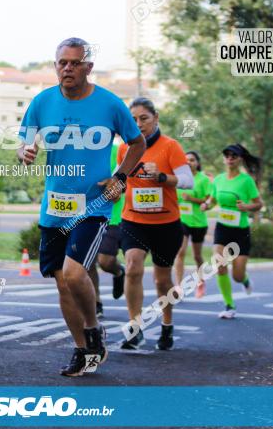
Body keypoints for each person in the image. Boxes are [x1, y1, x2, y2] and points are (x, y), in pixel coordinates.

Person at [17, 38, 145, 376]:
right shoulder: (42, 102)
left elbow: (137, 142)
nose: (68, 68)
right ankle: (81, 348)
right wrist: (24, 152)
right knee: (62, 282)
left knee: (75, 273)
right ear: (55, 65)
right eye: (62, 63)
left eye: (75, 63)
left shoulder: (109, 104)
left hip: (94, 206)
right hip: (54, 207)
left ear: (88, 67)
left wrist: (121, 177)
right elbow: (23, 142)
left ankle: (92, 329)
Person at [118, 97, 194, 351]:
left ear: (156, 118)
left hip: (165, 223)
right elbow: (119, 176)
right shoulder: (125, 147)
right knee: (132, 267)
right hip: (133, 220)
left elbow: (187, 180)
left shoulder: (170, 146)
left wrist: (162, 177)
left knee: (162, 280)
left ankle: (167, 324)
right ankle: (134, 328)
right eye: (134, 119)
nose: (138, 124)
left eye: (144, 118)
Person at [203, 144, 263, 319]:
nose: (230, 158)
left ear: (240, 159)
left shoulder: (247, 181)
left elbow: (259, 204)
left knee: (237, 275)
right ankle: (229, 305)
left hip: (240, 231)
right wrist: (207, 205)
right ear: (224, 159)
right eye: (227, 155)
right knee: (219, 264)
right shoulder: (219, 179)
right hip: (222, 228)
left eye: (233, 156)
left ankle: (244, 280)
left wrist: (246, 206)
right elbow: (213, 200)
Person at [88, 138, 128, 318]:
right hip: (87, 215)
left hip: (113, 216)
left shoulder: (118, 150)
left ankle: (119, 271)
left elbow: (122, 185)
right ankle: (96, 302)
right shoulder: (82, 153)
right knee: (87, 262)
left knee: (105, 262)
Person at [175, 151, 212, 298]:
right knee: (180, 252)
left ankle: (201, 281)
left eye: (192, 160)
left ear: (197, 162)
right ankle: (178, 287)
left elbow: (209, 201)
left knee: (197, 255)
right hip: (182, 220)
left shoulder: (203, 179)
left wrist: (192, 199)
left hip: (198, 222)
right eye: (186, 160)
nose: (189, 162)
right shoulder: (179, 178)